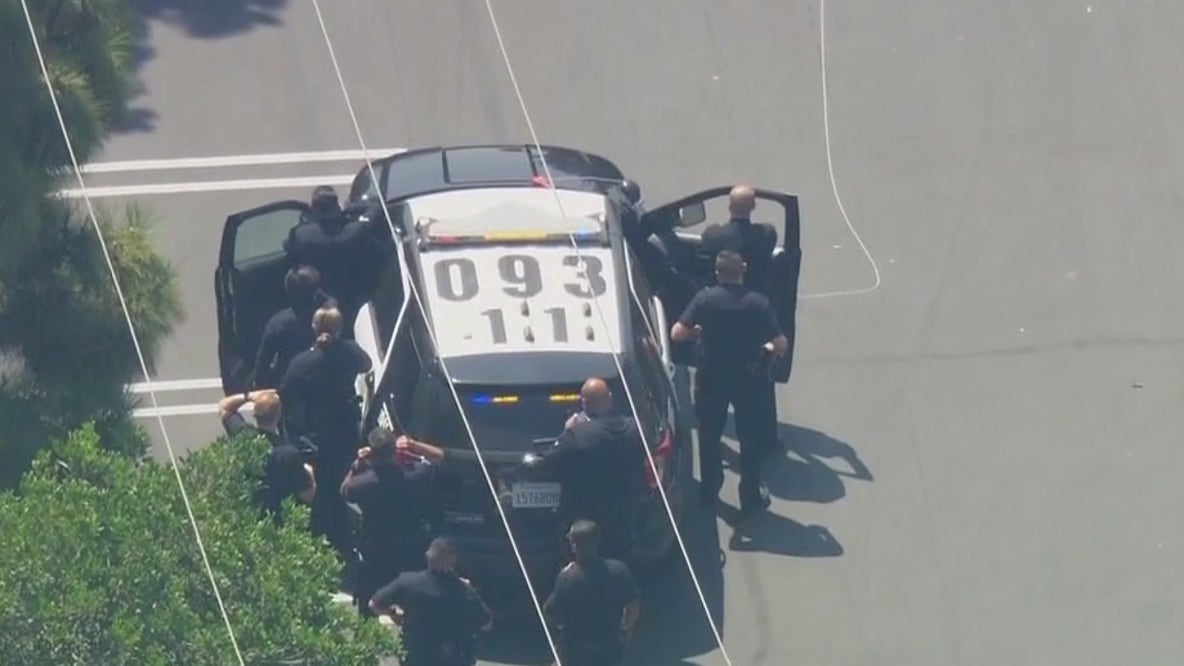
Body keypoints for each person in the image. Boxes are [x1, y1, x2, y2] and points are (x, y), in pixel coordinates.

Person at [670, 250, 788, 514]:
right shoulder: (759, 304)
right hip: (748, 379)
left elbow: (677, 333)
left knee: (709, 436)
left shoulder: (705, 299)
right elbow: (780, 343)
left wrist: (697, 334)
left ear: (717, 272)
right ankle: (750, 495)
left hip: (711, 377)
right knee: (750, 439)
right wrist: (765, 347)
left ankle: (710, 491)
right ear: (743, 269)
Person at [279, 306, 372, 559]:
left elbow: (285, 390)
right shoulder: (349, 353)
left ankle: (320, 536)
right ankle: (342, 538)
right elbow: (367, 364)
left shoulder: (303, 362)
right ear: (339, 329)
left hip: (315, 433)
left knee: (318, 487)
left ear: (314, 328)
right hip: (344, 430)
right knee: (340, 482)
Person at [700, 184, 784, 459]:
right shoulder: (766, 235)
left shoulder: (715, 237)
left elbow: (706, 237)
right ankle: (766, 437)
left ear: (728, 206)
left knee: (715, 391)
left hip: (720, 319)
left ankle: (712, 439)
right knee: (762, 381)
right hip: (755, 316)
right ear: (753, 207)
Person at [534, 377, 648, 562]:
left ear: (584, 403)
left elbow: (548, 463)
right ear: (610, 399)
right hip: (624, 519)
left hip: (587, 521)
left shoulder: (578, 436)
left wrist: (567, 431)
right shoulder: (635, 430)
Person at [341, 427, 445, 618]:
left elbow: (345, 490)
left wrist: (357, 464)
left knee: (369, 605)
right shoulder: (415, 475)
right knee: (412, 606)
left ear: (372, 451)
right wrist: (413, 445)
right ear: (393, 450)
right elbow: (439, 456)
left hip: (375, 551)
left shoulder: (364, 483)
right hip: (409, 549)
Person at [369, 537, 493, 666]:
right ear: (452, 560)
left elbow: (374, 604)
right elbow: (487, 624)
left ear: (427, 556)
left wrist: (392, 613)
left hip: (416, 657)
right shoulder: (463, 590)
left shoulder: (407, 582)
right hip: (453, 657)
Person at [283, 185, 382, 331]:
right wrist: (348, 209)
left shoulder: (300, 235)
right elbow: (374, 207)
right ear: (336, 207)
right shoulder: (354, 232)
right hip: (352, 302)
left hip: (316, 302)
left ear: (313, 209)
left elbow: (290, 258)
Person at [543, 520, 640, 666]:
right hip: (609, 649)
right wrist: (626, 630)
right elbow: (633, 604)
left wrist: (558, 639)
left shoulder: (568, 578)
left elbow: (550, 612)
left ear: (574, 545)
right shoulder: (619, 570)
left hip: (575, 652)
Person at [216, 388, 315, 520]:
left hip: (246, 514)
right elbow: (308, 496)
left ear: (255, 415)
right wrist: (310, 473)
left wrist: (249, 397)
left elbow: (224, 406)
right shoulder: (289, 454)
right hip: (276, 519)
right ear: (279, 415)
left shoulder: (243, 435)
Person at [253, 264, 337, 389]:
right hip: (326, 382)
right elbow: (330, 301)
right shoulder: (328, 318)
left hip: (290, 385)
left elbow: (263, 362)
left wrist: (259, 386)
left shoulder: (278, 323)